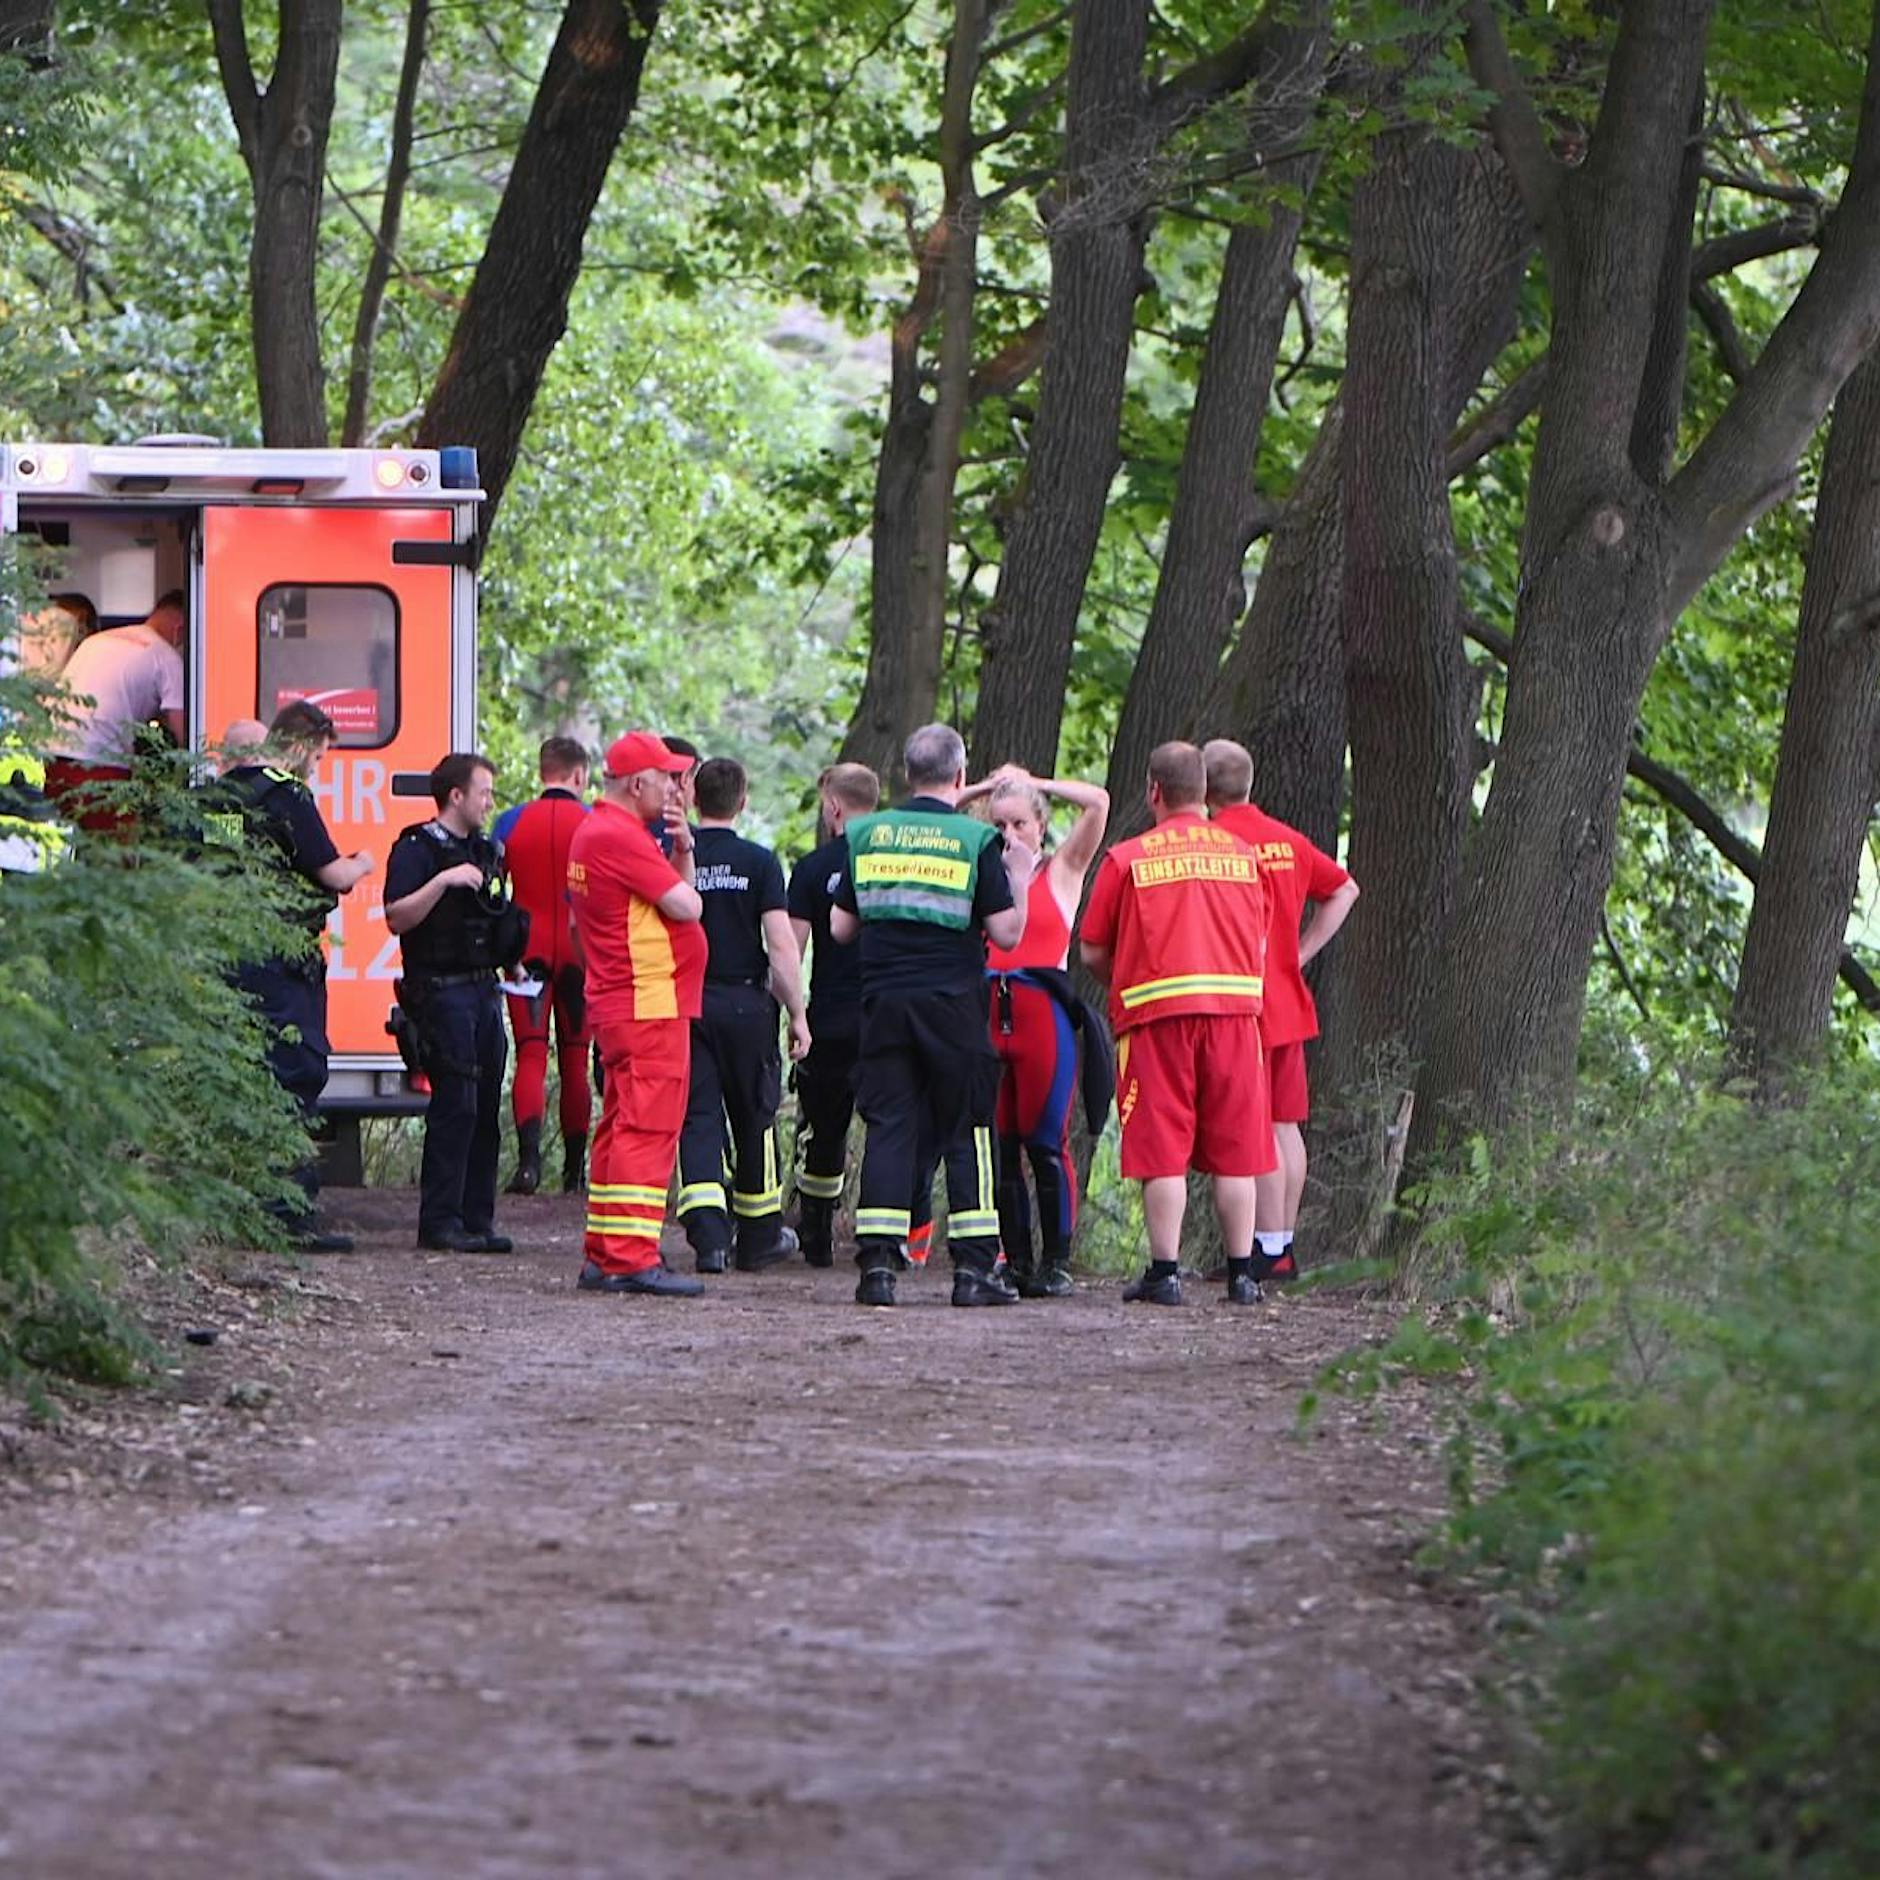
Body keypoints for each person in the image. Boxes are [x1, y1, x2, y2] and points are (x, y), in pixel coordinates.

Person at [829, 723, 1028, 1308]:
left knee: (891, 1126)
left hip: (884, 1003)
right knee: (969, 1125)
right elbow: (1009, 935)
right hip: (953, 1008)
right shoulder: (975, 842)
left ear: (906, 775)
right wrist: (1019, 872)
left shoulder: (866, 834)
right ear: (961, 778)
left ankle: (878, 1270)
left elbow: (840, 928)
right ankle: (973, 1271)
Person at [1079, 741, 1274, 1308]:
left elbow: (1092, 948)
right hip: (1235, 1018)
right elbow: (1258, 937)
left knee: (1161, 1147)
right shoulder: (1245, 855)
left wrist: (1131, 968)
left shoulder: (1127, 859)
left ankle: (1164, 1273)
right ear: (1207, 793)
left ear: (1154, 791)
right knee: (1237, 1148)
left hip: (1156, 1020)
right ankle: (1243, 1275)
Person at [202, 700, 376, 1251]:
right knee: (294, 1075)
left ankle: (238, 1207)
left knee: (242, 1076)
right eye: (320, 758)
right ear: (301, 746)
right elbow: (333, 872)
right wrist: (365, 863)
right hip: (280, 960)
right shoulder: (286, 793)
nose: (317, 769)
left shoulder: (215, 801)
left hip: (229, 953)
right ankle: (286, 1216)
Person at [1203, 738, 1360, 1282]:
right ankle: (1281, 1241)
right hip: (1288, 998)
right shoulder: (1287, 841)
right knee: (1285, 1124)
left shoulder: (1212, 841)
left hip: (1240, 1000)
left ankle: (1266, 1250)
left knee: (1257, 1125)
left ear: (1204, 790)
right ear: (1250, 784)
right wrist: (1302, 951)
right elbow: (1345, 890)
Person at [956, 764, 1111, 1297]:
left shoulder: (1062, 871)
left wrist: (1035, 784)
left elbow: (1099, 803)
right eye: (998, 825)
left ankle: (1057, 1261)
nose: (1008, 835)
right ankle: (1015, 1260)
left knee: (1046, 1142)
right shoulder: (980, 876)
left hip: (1042, 1015)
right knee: (1000, 1147)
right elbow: (936, 805)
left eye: (1019, 823)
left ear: (1040, 826)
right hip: (987, 1013)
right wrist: (983, 790)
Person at [566, 730, 708, 1296]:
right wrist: (679, 862)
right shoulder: (617, 837)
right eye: (670, 777)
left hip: (628, 1002)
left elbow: (676, 891)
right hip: (648, 1003)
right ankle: (629, 1257)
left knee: (621, 1124)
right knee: (646, 1128)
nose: (677, 788)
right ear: (637, 783)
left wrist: (682, 847)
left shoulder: (603, 831)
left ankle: (607, 1250)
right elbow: (688, 904)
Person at [384, 752, 528, 1254]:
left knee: (487, 1105)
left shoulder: (488, 852)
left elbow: (492, 914)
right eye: (484, 792)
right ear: (456, 796)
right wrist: (444, 881)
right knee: (456, 1105)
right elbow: (397, 917)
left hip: (484, 989)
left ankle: (477, 1219)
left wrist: (511, 959)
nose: (490, 802)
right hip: (440, 992)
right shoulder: (417, 848)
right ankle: (439, 1222)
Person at [674, 758, 811, 1272]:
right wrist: (797, 1013)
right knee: (755, 1116)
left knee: (698, 1116)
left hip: (688, 1002)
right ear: (743, 801)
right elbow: (780, 945)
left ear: (694, 800)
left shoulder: (675, 856)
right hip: (747, 1005)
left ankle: (709, 1239)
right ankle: (758, 1238)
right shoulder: (759, 861)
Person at [786, 761, 881, 1267]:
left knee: (823, 1128)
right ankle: (886, 1238)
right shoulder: (893, 861)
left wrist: (793, 1014)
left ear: (835, 806)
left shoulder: (812, 868)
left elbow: (792, 950)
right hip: (884, 1013)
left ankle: (817, 1234)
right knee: (889, 1124)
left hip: (829, 1014)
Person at [492, 736, 593, 1196]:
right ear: (579, 776)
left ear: (541, 772)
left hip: (525, 951)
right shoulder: (595, 823)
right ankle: (575, 1172)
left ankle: (528, 1165)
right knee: (576, 1058)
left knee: (531, 1054)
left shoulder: (510, 822)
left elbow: (493, 892)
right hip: (579, 952)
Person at [46, 591, 187, 812]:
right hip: (100, 767)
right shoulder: (167, 657)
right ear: (180, 630)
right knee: (120, 842)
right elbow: (184, 739)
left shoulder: (97, 641)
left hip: (53, 761)